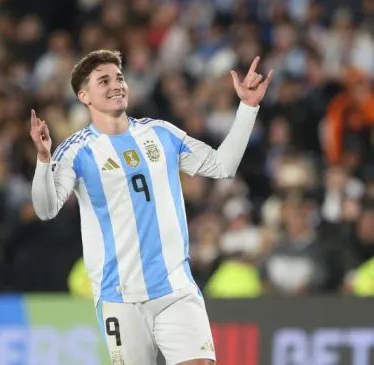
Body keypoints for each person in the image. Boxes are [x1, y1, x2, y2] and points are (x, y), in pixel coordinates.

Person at [29, 50, 273, 365]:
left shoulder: (160, 133)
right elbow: (46, 209)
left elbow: (222, 166)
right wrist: (44, 161)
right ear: (84, 95)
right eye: (104, 80)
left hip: (176, 289)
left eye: (119, 77)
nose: (116, 85)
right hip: (120, 298)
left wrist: (248, 107)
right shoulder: (76, 151)